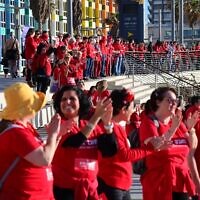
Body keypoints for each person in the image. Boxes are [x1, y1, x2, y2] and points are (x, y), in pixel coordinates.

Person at [52, 85, 117, 200]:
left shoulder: (89, 127)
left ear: (81, 103)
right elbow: (76, 142)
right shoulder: (59, 125)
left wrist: (107, 125)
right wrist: (96, 117)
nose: (67, 101)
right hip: (65, 190)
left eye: (72, 99)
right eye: (63, 99)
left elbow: (110, 151)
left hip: (90, 189)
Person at [0, 82, 62, 199]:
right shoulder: (16, 133)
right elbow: (44, 159)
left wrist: (57, 136)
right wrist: (53, 134)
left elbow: (46, 154)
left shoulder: (26, 128)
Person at [139, 87, 199, 200]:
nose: (173, 104)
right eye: (169, 100)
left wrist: (191, 130)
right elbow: (157, 146)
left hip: (181, 184)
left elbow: (190, 152)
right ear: (158, 102)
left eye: (175, 101)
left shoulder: (178, 123)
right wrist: (172, 130)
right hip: (159, 185)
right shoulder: (149, 123)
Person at [97, 88, 154, 200]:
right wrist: (149, 149)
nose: (133, 111)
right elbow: (124, 155)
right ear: (123, 109)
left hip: (120, 184)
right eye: (132, 107)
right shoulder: (110, 127)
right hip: (113, 184)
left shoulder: (117, 127)